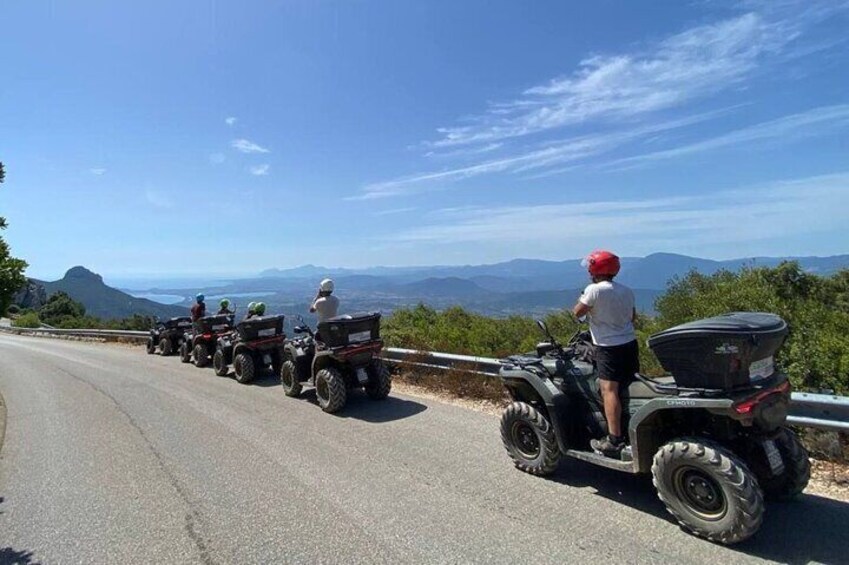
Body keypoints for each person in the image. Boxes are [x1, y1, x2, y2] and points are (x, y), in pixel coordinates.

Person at [572, 250, 639, 458]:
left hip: (607, 346)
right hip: (629, 343)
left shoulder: (593, 290)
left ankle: (614, 439)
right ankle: (631, 428)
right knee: (629, 386)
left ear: (594, 269)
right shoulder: (627, 291)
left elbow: (577, 312)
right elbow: (633, 316)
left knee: (608, 390)